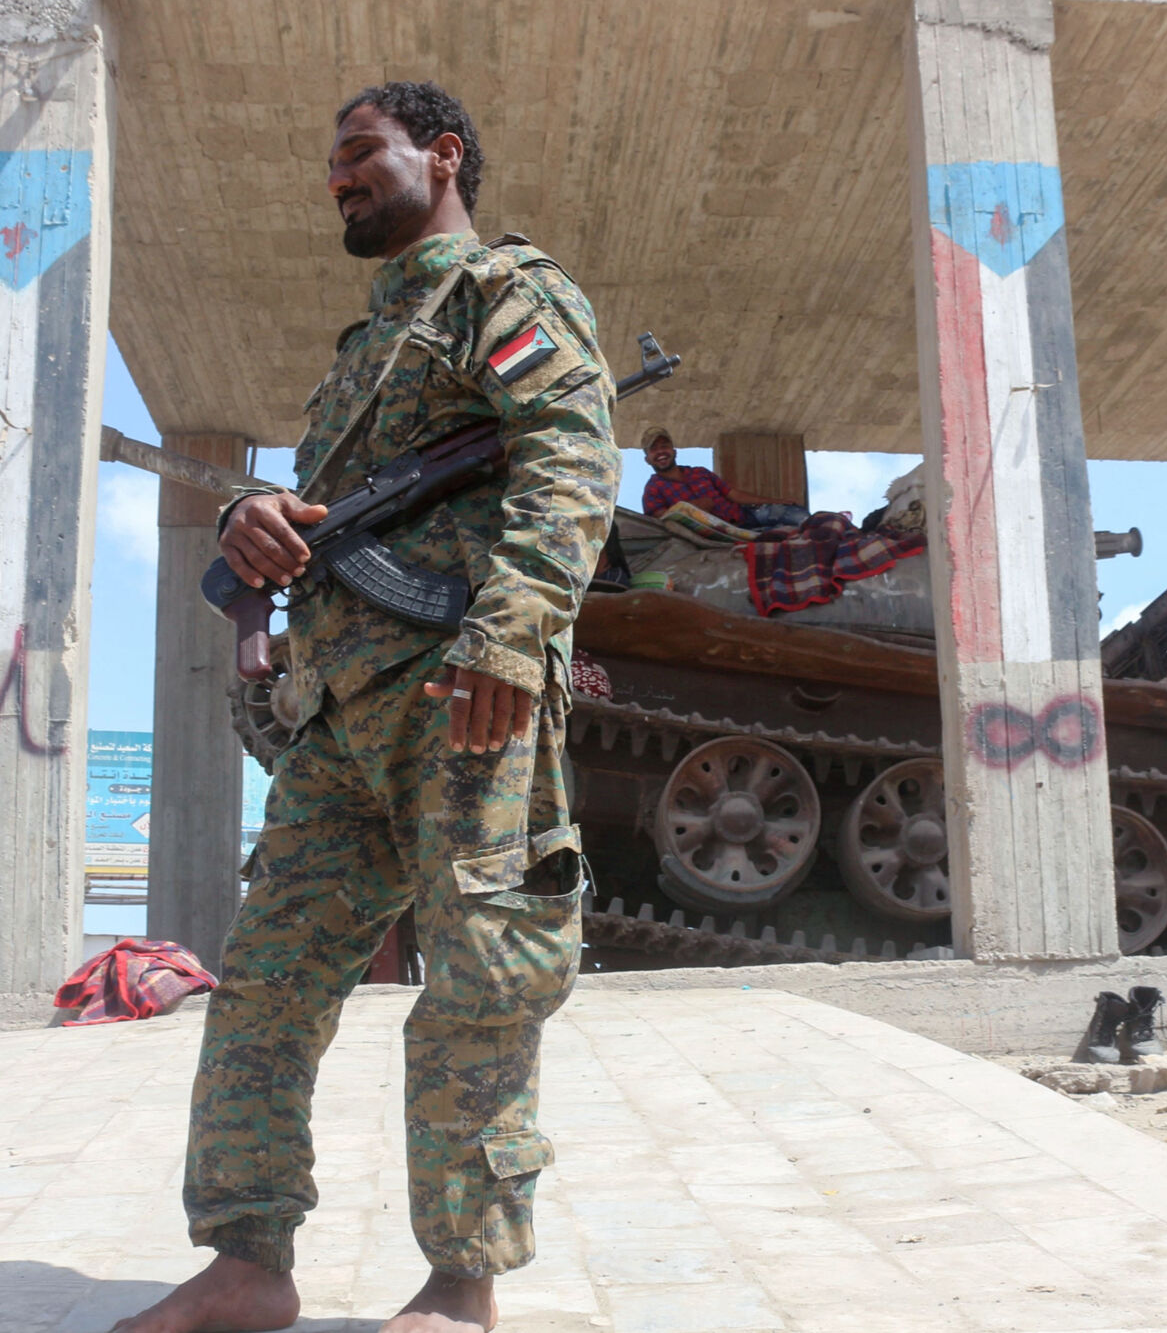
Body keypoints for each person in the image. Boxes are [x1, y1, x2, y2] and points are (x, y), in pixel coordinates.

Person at [113, 81, 620, 1333]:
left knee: (480, 980)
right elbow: (320, 523)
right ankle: (247, 1262)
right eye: (330, 162)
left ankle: (460, 1285)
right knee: (265, 989)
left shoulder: (504, 293)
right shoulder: (362, 352)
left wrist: (510, 633)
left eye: (358, 152)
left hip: (463, 697)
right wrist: (253, 519)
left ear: (441, 156)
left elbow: (567, 452)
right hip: (336, 718)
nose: (336, 177)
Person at [639, 425, 807, 530]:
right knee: (784, 535)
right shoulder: (652, 489)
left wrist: (775, 501)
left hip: (746, 516)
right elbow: (662, 521)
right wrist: (693, 508)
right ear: (647, 459)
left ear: (674, 451)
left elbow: (733, 494)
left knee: (800, 517)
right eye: (654, 449)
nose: (661, 452)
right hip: (723, 535)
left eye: (664, 446)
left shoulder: (699, 472)